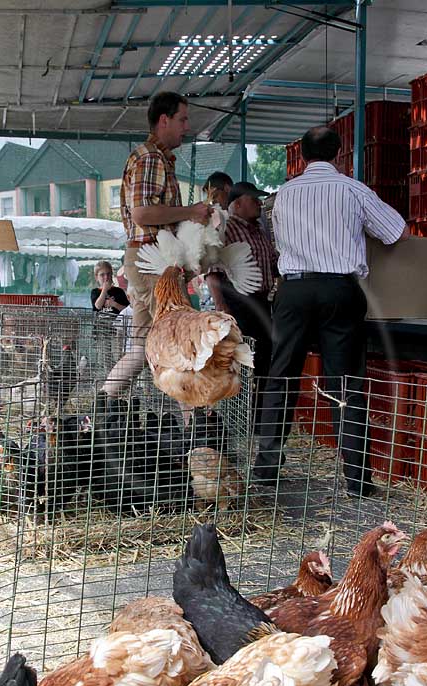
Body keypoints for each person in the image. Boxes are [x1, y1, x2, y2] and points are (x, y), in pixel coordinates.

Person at [253, 125, 408, 497]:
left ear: (303, 156)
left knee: (282, 376)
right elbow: (397, 233)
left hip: (293, 289)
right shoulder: (353, 190)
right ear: (339, 153)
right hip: (340, 289)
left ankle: (266, 467)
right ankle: (357, 479)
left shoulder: (283, 196)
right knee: (345, 383)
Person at [101, 91, 211, 398]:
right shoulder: (151, 157)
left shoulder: (155, 157)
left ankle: (102, 406)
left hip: (149, 257)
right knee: (177, 337)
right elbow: (142, 213)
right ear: (164, 120)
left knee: (142, 344)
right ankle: (195, 426)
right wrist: (191, 212)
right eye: (182, 119)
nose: (186, 127)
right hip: (151, 258)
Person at [206, 181, 279, 382]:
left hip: (262, 303)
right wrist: (222, 306)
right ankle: (241, 409)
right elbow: (213, 272)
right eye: (253, 199)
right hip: (237, 303)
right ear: (237, 204)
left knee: (262, 356)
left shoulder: (259, 231)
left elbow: (274, 264)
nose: (259, 203)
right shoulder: (226, 228)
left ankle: (257, 409)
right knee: (240, 359)